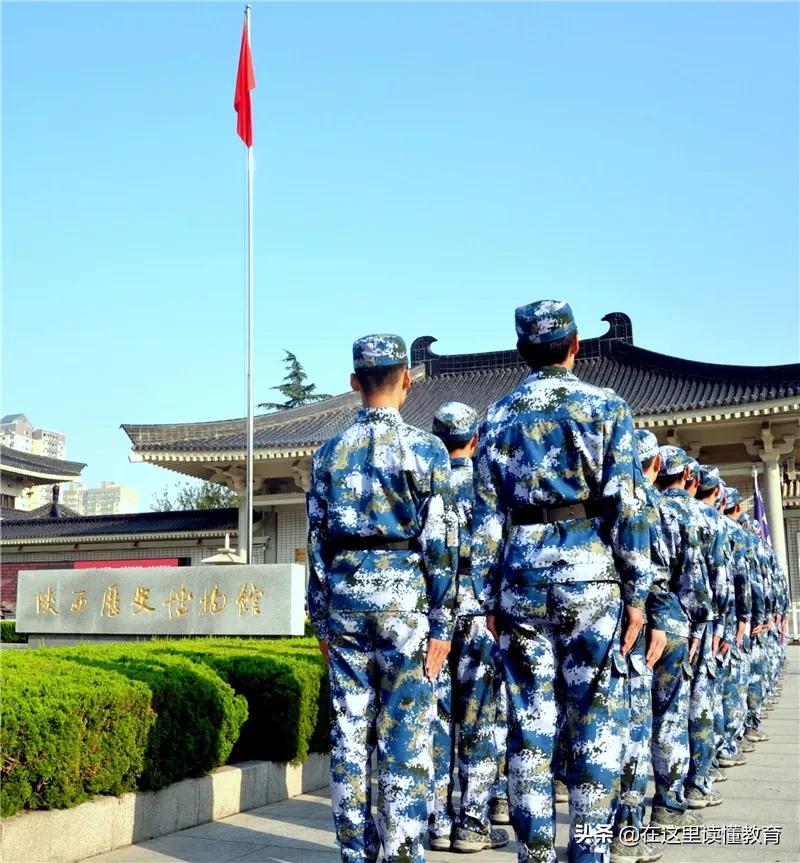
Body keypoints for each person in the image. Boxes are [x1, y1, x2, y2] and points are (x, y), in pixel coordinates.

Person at [471, 300, 652, 863]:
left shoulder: (495, 418)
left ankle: (537, 856)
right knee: (595, 723)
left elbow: (483, 523)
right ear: (575, 346)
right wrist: (638, 593)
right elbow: (628, 506)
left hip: (520, 579)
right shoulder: (605, 407)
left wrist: (485, 599)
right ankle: (591, 853)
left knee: (530, 722)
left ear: (522, 350)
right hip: (589, 573)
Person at [307, 333, 458, 863]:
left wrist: (322, 624)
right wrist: (443, 624)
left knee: (349, 736)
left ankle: (355, 853)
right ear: (407, 381)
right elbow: (441, 542)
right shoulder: (427, 449)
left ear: (354, 383)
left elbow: (316, 544)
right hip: (405, 605)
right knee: (406, 735)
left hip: (347, 602)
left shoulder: (328, 453)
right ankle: (400, 853)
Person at [428, 401, 509, 853]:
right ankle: (473, 823)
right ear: (475, 439)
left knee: (436, 720)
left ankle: (436, 821)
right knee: (481, 720)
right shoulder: (488, 483)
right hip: (481, 615)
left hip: (433, 616)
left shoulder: (426, 481)